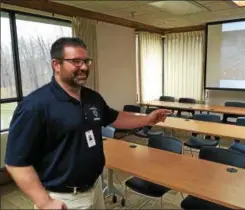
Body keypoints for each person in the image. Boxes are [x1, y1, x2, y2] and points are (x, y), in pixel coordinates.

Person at [4, 37, 171, 210]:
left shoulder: (92, 97)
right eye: (76, 61)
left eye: (86, 61)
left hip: (95, 187)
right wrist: (45, 202)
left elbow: (114, 118)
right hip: (62, 198)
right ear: (56, 65)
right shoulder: (35, 106)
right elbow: (16, 162)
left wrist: (148, 119)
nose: (84, 67)